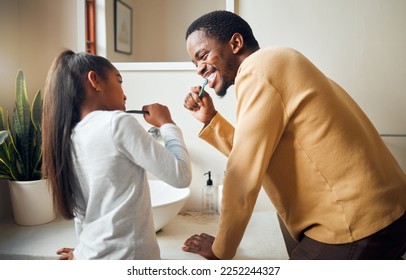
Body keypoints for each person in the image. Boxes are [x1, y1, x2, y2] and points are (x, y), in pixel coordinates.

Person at [182, 10, 406, 260]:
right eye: (194, 64)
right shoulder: (277, 61)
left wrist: (220, 250)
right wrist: (210, 120)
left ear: (235, 43)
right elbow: (258, 151)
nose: (200, 70)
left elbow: (243, 172)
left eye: (202, 56)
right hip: (387, 213)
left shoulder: (257, 70)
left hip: (356, 225)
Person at [42, 50, 192, 260]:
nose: (124, 94)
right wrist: (167, 124)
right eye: (119, 81)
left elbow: (82, 212)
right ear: (95, 80)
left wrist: (81, 252)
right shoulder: (117, 123)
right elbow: (181, 176)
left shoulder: (69, 135)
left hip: (90, 255)